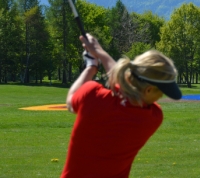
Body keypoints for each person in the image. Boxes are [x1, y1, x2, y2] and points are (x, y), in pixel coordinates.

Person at [60, 33, 182, 178]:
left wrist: (91, 66)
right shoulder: (152, 117)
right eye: (161, 92)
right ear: (148, 90)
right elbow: (121, 81)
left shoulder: (92, 95)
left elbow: (71, 102)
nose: (161, 97)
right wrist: (100, 52)